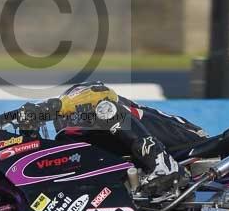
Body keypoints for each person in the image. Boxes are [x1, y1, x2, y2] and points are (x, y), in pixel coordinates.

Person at [17, 81, 208, 193]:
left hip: (187, 140)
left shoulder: (102, 103)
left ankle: (163, 165)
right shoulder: (103, 139)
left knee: (106, 110)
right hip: (157, 154)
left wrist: (46, 108)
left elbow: (100, 93)